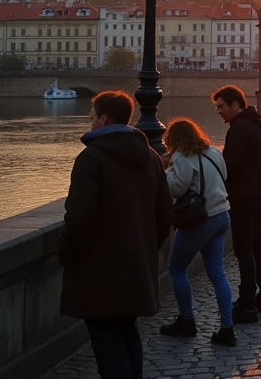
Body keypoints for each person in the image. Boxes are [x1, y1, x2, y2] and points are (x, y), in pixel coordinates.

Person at [59, 91, 172, 379]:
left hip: (100, 271)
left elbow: (79, 218)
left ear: (103, 119)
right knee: (127, 333)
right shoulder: (151, 157)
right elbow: (164, 214)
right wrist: (148, 249)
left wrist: (66, 254)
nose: (89, 123)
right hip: (137, 267)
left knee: (106, 341)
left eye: (91, 117)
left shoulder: (91, 158)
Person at [160, 118, 236, 346]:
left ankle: (187, 320)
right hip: (222, 215)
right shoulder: (214, 152)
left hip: (200, 220)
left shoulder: (182, 157)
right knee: (216, 272)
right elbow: (224, 176)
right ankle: (227, 328)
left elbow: (176, 187)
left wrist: (165, 169)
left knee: (176, 269)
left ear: (173, 140)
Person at [212, 85, 261, 323]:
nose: (219, 111)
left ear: (235, 105)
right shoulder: (258, 124)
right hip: (260, 194)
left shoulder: (239, 128)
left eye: (221, 106)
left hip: (243, 198)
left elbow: (231, 166)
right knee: (258, 244)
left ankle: (248, 303)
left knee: (244, 249)